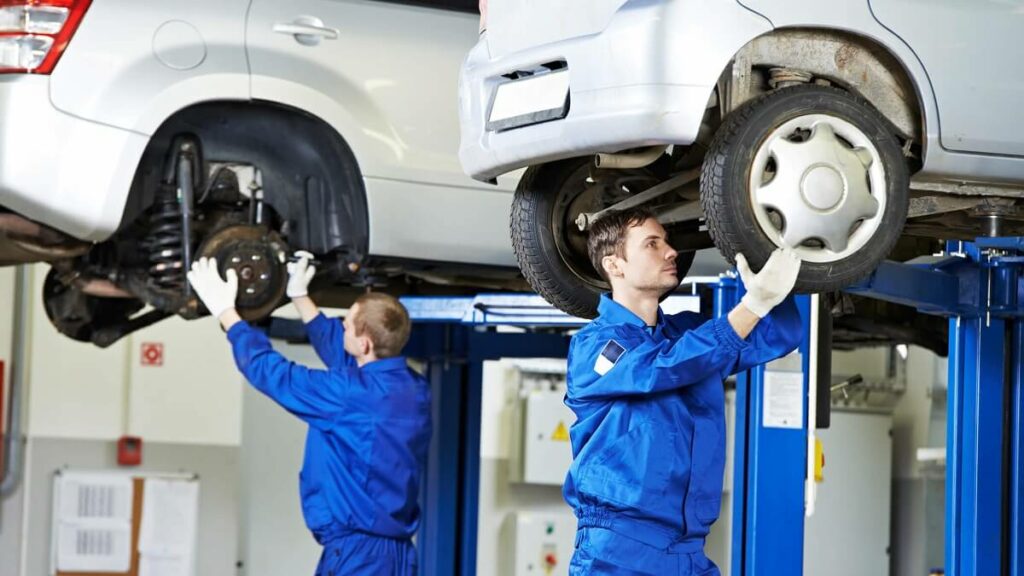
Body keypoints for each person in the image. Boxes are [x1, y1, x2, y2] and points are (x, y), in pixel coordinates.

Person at [564, 207, 803, 575]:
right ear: (615, 265)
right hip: (620, 552)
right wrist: (751, 305)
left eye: (668, 242)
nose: (671, 251)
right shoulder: (596, 347)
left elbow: (778, 336)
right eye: (652, 244)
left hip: (688, 552)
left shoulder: (687, 335)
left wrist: (770, 280)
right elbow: (663, 366)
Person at [187, 251, 432, 576]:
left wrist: (228, 315)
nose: (340, 327)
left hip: (361, 555)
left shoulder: (349, 395)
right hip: (394, 552)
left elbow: (274, 374)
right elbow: (343, 355)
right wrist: (301, 297)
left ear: (365, 345)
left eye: (346, 325)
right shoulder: (414, 390)